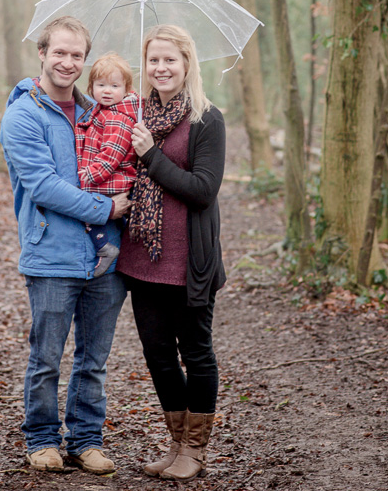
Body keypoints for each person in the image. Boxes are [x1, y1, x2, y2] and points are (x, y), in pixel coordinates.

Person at [0, 15, 130, 475]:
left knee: (93, 360)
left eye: (77, 55)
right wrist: (106, 209)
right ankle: (40, 439)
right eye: (60, 52)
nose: (68, 62)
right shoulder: (23, 115)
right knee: (47, 357)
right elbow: (44, 186)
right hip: (52, 253)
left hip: (106, 257)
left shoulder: (101, 112)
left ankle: (86, 440)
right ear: (42, 53)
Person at [116, 24, 226, 481]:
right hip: (143, 258)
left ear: (186, 64)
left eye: (169, 60)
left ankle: (196, 451)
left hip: (188, 264)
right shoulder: (135, 114)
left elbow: (203, 190)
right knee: (157, 354)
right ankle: (177, 442)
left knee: (195, 353)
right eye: (153, 60)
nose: (160, 68)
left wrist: (151, 156)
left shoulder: (206, 118)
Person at [75, 52, 139, 277]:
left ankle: (104, 247)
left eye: (114, 85)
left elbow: (109, 159)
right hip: (103, 177)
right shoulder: (101, 112)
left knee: (80, 202)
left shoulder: (117, 118)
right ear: (91, 88)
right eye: (101, 85)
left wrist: (81, 179)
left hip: (110, 179)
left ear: (127, 89)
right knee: (83, 205)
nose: (107, 90)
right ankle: (103, 245)